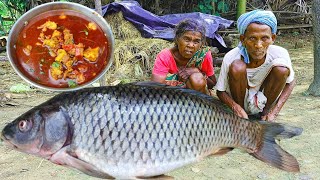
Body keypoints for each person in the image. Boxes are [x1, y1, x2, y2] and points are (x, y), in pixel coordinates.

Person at [215, 10, 296, 122]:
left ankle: (264, 114)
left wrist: (274, 112)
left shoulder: (280, 53)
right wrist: (236, 108)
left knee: (281, 69)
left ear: (273, 38)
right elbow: (220, 91)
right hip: (240, 100)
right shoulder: (231, 56)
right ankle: (243, 116)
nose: (258, 45)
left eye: (264, 38)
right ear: (243, 39)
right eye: (252, 38)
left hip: (264, 98)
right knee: (237, 66)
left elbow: (290, 82)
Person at [151, 18, 216, 95]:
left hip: (198, 99)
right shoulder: (165, 56)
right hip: (170, 98)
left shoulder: (203, 55)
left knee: (197, 78)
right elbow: (155, 88)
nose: (191, 45)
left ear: (201, 44)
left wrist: (198, 72)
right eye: (187, 39)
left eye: (196, 41)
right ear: (177, 39)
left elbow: (212, 83)